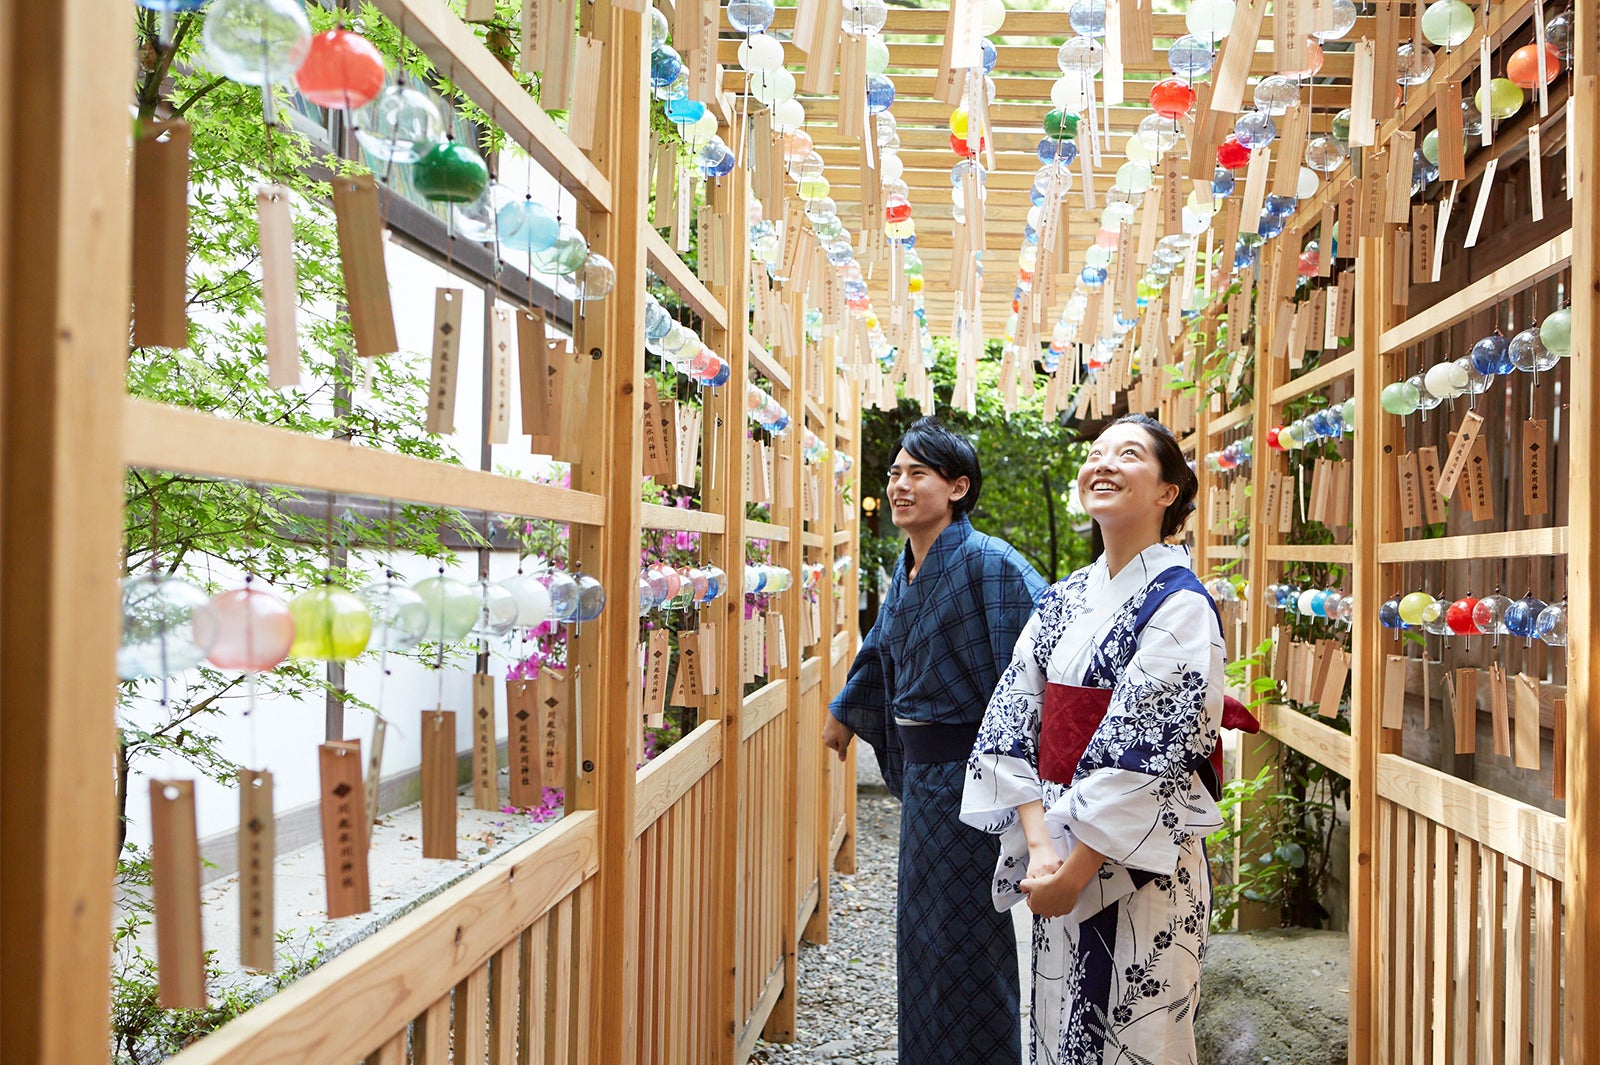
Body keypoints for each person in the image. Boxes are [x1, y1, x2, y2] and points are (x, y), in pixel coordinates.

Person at [961, 413, 1226, 1065]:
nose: (1103, 462)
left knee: (1135, 1036)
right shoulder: (1065, 597)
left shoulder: (1181, 605)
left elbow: (1148, 752)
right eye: (1097, 452)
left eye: (1129, 454)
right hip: (1057, 847)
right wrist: (1044, 850)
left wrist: (1072, 869)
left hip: (1139, 868)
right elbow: (1012, 718)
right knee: (1056, 1028)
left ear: (1169, 492)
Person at [824, 416, 1046, 1065]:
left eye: (916, 472)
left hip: (976, 778)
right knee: (923, 933)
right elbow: (880, 645)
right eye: (895, 472)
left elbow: (1040, 660)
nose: (899, 484)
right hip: (926, 784)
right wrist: (846, 709)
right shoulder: (911, 568)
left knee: (967, 937)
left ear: (957, 486)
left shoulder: (990, 563)